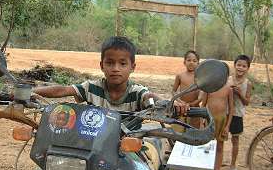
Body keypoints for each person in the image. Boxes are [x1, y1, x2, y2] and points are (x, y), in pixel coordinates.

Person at [33, 36, 189, 114]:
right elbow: (62, 90)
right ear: (101, 65)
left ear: (132, 67)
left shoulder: (137, 92)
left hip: (128, 149)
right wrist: (30, 93)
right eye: (110, 63)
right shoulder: (91, 88)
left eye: (122, 63)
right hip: (93, 144)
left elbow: (150, 96)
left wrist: (169, 103)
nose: (115, 68)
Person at [201, 67, 233, 170]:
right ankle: (206, 167)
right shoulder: (208, 88)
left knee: (220, 146)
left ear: (227, 75)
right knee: (206, 145)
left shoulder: (228, 89)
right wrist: (202, 122)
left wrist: (227, 126)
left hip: (222, 120)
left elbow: (231, 109)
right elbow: (203, 106)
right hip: (209, 120)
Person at [227, 55, 252, 170]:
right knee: (219, 138)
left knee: (235, 139)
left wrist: (239, 93)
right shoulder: (228, 80)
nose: (241, 68)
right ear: (234, 65)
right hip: (225, 113)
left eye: (244, 66)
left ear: (248, 68)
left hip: (237, 114)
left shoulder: (248, 83)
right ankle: (216, 162)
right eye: (239, 65)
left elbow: (246, 102)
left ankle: (232, 165)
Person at [171, 50, 201, 129]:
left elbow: (202, 96)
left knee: (194, 132)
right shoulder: (180, 76)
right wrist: (180, 102)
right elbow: (174, 91)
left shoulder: (200, 78)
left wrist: (192, 104)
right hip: (181, 108)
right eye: (189, 60)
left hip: (195, 109)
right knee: (178, 131)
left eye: (194, 61)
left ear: (198, 63)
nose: (191, 62)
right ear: (184, 62)